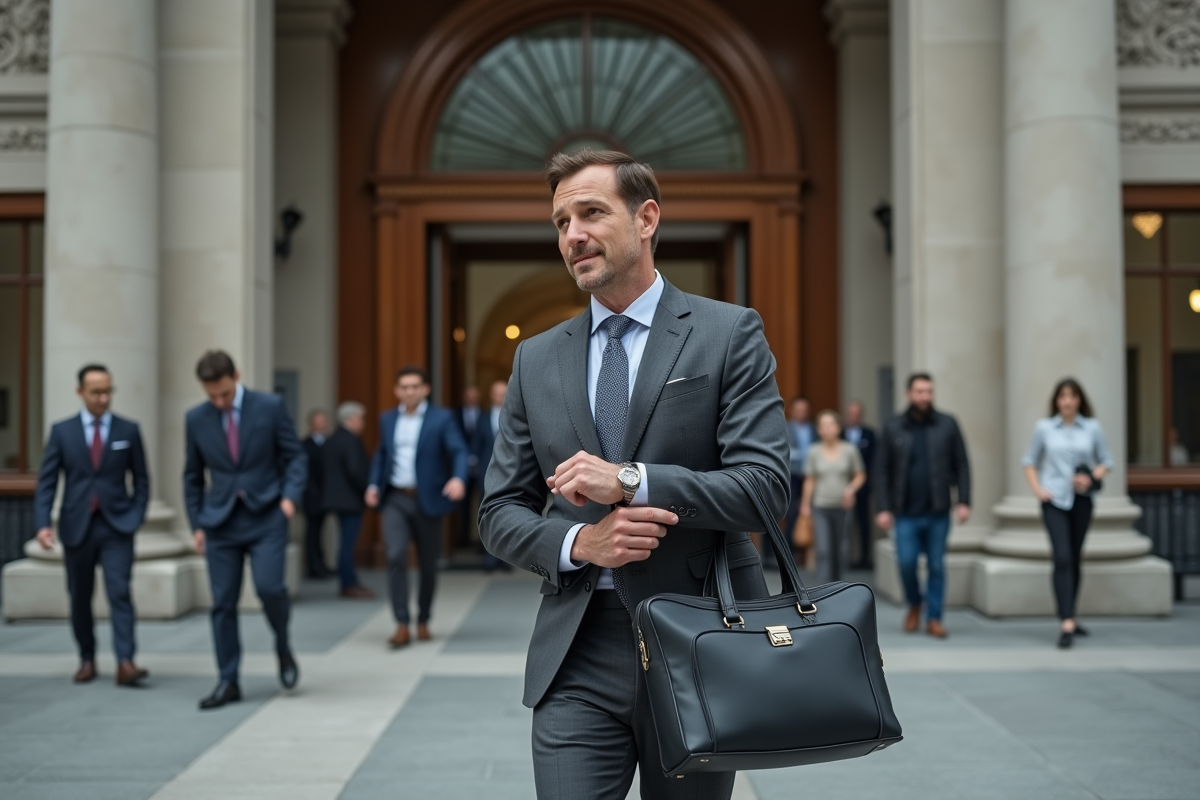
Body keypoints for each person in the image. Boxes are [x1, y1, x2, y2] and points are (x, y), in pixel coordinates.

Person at [479, 149, 788, 800]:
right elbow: (498, 510)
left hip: (700, 643)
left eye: (591, 212)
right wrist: (576, 544)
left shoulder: (726, 333)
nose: (573, 235)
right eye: (561, 221)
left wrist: (632, 481)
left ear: (647, 218)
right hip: (577, 650)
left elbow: (765, 489)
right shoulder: (535, 360)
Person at [184, 350, 306, 709]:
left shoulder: (268, 407)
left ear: (236, 376)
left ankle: (282, 646)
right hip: (219, 521)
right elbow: (191, 476)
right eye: (212, 396)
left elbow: (295, 456)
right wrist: (197, 523)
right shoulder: (195, 418)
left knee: (270, 588)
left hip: (267, 515)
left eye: (223, 393)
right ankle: (228, 680)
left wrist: (289, 500)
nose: (219, 402)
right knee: (222, 602)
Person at [33, 364, 150, 687]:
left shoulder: (128, 430)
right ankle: (87, 658)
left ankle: (125, 661)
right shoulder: (62, 431)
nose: (103, 398)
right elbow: (47, 482)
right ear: (80, 392)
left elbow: (141, 479)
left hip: (117, 527)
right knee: (80, 597)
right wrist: (43, 524)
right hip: (77, 526)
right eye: (96, 392)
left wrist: (136, 515)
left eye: (108, 391)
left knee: (120, 592)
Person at [365, 366, 469, 647]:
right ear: (397, 390)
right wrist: (373, 485)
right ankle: (401, 623)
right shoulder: (387, 419)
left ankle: (423, 619)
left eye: (415, 386)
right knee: (396, 554)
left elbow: (458, 450)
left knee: (427, 563)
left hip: (428, 500)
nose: (409, 391)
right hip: (395, 498)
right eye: (404, 387)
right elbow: (382, 455)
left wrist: (458, 478)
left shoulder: (441, 418)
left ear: (425, 389)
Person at [874, 373, 971, 639]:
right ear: (909, 394)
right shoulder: (894, 427)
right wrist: (882, 507)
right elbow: (881, 470)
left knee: (937, 566)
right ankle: (915, 603)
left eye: (929, 391)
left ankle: (934, 617)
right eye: (919, 391)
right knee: (906, 563)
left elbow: (961, 464)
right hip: (904, 512)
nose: (925, 396)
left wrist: (963, 501)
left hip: (938, 511)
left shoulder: (947, 424)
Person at [1022, 378, 1113, 649]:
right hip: (1055, 501)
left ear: (1079, 400)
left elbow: (1106, 461)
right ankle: (1066, 622)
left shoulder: (1092, 428)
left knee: (1074, 558)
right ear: (1057, 400)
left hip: (1083, 501)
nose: (1068, 401)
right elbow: (1029, 461)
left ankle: (1071, 613)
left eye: (1072, 396)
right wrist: (1039, 490)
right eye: (1063, 396)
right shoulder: (1044, 428)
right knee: (1062, 557)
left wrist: (1090, 477)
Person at [800, 410, 865, 585]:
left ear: (838, 427)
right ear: (818, 429)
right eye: (822, 426)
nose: (827, 429)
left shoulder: (849, 449)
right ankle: (822, 589)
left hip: (843, 506)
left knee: (840, 550)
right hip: (820, 506)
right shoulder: (814, 451)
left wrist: (851, 489)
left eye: (830, 425)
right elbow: (810, 480)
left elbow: (860, 475)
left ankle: (837, 587)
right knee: (823, 550)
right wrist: (805, 505)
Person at [322, 402, 375, 599]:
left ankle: (349, 581)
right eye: (360, 418)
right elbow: (356, 470)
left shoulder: (332, 439)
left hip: (336, 499)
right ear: (350, 419)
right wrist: (368, 489)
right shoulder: (351, 440)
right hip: (350, 499)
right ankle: (349, 584)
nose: (363, 423)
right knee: (347, 544)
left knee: (344, 542)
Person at [476, 379, 512, 572]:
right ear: (491, 395)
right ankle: (489, 560)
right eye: (497, 393)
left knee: (507, 513)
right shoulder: (482, 417)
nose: (500, 397)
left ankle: (505, 559)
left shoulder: (515, 416)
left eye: (503, 393)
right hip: (485, 472)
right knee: (487, 515)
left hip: (509, 473)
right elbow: (476, 445)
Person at [843, 400, 878, 568]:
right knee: (845, 524)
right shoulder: (840, 433)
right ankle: (846, 559)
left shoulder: (870, 434)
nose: (854, 416)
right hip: (842, 486)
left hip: (863, 487)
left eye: (857, 413)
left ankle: (865, 557)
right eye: (851, 413)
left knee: (864, 523)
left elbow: (875, 460)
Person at [301, 410, 333, 579]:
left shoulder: (329, 443)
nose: (322, 424)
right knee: (312, 532)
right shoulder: (305, 445)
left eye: (324, 420)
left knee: (321, 531)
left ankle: (321, 563)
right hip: (312, 496)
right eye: (318, 421)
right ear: (311, 423)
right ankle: (313, 566)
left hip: (326, 495)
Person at [783, 397, 815, 550]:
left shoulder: (814, 429)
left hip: (811, 476)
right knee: (790, 513)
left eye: (804, 409)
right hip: (792, 476)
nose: (802, 413)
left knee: (810, 512)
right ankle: (790, 549)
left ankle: (807, 554)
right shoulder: (784, 428)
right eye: (798, 409)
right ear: (792, 411)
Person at [456, 386, 482, 548]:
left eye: (474, 396)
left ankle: (482, 542)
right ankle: (463, 538)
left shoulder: (485, 415)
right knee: (463, 505)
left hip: (482, 468)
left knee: (482, 503)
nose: (471, 399)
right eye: (468, 396)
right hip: (462, 467)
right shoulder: (456, 415)